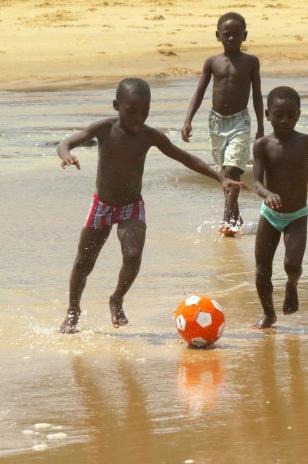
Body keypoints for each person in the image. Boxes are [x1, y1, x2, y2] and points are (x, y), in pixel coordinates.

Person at [58, 78, 249, 334]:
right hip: (102, 205)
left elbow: (185, 158)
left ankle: (117, 298)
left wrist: (221, 178)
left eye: (145, 112)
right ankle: (73, 311)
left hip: (131, 206)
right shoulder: (105, 128)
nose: (138, 118)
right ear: (116, 105)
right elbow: (65, 143)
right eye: (131, 111)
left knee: (133, 255)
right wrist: (66, 155)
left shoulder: (149, 136)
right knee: (84, 262)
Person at [252, 86, 308, 328]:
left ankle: (292, 285)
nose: (284, 121)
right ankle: (268, 313)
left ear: (299, 115)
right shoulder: (262, 145)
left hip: (297, 216)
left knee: (292, 265)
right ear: (267, 114)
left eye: (291, 115)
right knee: (262, 271)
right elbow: (257, 182)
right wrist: (268, 194)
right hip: (270, 215)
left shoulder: (307, 142)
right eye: (278, 115)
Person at [181, 12, 264, 236]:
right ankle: (235, 217)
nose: (231, 39)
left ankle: (227, 218)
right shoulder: (212, 62)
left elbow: (256, 94)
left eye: (236, 35)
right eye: (226, 35)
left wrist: (261, 126)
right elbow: (199, 92)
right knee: (225, 175)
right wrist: (188, 119)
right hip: (216, 122)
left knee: (231, 169)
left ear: (244, 36)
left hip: (240, 121)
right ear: (218, 36)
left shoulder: (250, 62)